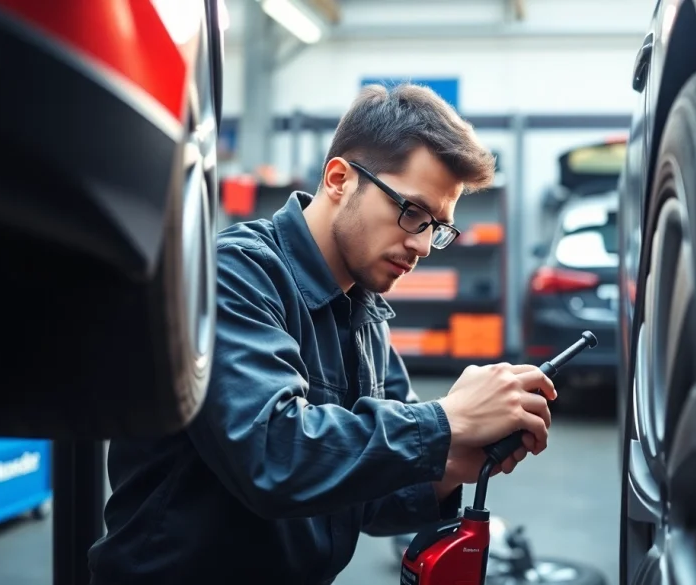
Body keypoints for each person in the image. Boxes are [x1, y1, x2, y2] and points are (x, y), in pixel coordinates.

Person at [87, 83, 557, 585]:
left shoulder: (364, 313)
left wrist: (452, 461)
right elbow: (273, 456)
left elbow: (364, 495)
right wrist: (444, 422)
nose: (421, 245)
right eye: (412, 212)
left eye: (437, 227)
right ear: (339, 179)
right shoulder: (235, 275)